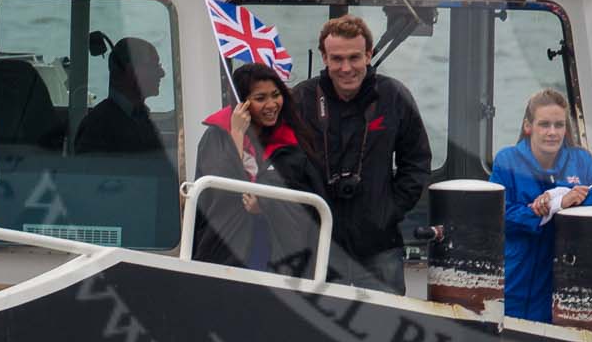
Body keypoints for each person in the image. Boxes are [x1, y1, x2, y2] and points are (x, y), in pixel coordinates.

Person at [291, 15, 432, 293]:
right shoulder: (302, 100)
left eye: (354, 57)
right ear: (324, 57)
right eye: (337, 59)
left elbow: (416, 163)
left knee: (388, 328)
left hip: (379, 245)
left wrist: (388, 212)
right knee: (318, 330)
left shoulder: (393, 97)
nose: (346, 68)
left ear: (368, 55)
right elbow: (284, 163)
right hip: (319, 244)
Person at [491, 90, 592, 323]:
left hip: (562, 283)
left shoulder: (580, 160)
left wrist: (565, 196)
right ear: (528, 126)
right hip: (515, 278)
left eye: (559, 125)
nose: (552, 132)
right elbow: (497, 215)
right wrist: (542, 210)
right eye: (544, 124)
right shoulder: (507, 160)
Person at [191, 60, 330, 276]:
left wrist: (265, 205)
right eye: (260, 98)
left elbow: (310, 203)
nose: (272, 104)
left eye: (276, 94)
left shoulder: (293, 141)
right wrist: (236, 134)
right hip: (226, 255)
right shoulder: (216, 137)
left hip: (283, 259)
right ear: (241, 103)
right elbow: (217, 193)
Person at [75, 36, 166, 156]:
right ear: (132, 71)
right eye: (155, 66)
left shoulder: (140, 118)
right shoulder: (97, 127)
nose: (162, 73)